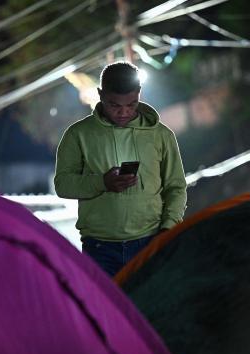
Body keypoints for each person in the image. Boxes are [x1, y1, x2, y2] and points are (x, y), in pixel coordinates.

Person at [54, 61, 187, 276]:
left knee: (146, 309)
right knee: (101, 310)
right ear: (100, 94)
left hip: (150, 241)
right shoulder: (78, 134)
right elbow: (63, 185)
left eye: (131, 104)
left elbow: (176, 187)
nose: (124, 112)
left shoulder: (161, 135)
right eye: (115, 105)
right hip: (99, 247)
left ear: (139, 94)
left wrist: (168, 229)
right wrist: (102, 182)